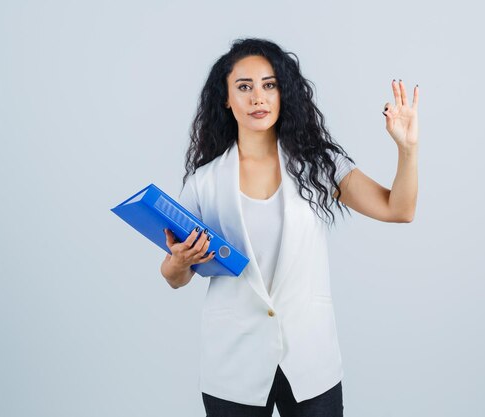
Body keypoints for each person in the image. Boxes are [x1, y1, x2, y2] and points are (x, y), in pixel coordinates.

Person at [160, 38, 418, 417]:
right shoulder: (204, 181)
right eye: (244, 87)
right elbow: (173, 275)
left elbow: (399, 209)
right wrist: (180, 262)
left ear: (284, 94)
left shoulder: (319, 164)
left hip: (310, 358)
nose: (257, 98)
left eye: (270, 85)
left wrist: (407, 150)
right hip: (233, 361)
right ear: (226, 99)